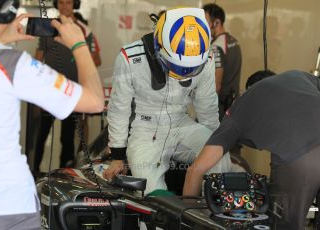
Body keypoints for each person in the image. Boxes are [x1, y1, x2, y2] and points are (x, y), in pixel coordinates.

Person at [0, 0, 104, 229]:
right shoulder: (11, 64)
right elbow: (95, 101)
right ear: (4, 9)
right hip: (6, 207)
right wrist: (78, 45)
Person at [103, 8, 232, 194]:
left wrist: (214, 141)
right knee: (150, 191)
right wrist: (117, 156)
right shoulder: (130, 58)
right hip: (145, 129)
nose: (184, 73)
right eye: (179, 66)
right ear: (159, 47)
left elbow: (207, 104)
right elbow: (119, 109)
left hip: (182, 122)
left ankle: (208, 211)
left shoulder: (208, 57)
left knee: (220, 155)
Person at [183, 70, 320, 230]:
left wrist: (187, 217)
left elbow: (196, 170)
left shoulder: (239, 108)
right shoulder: (297, 75)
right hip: (302, 152)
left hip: (300, 158)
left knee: (283, 224)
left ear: (246, 90)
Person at [33, 0, 101, 171]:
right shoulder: (48, 27)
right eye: (61, 2)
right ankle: (33, 171)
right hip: (48, 91)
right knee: (41, 135)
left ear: (74, 5)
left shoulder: (84, 30)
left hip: (71, 93)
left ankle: (65, 174)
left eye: (68, 3)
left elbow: (95, 60)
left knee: (67, 138)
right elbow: (38, 56)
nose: (64, 6)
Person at [203, 3, 242, 121]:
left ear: (216, 23)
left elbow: (216, 86)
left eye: (205, 22)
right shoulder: (234, 41)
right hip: (233, 104)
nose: (203, 26)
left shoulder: (215, 47)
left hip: (220, 108)